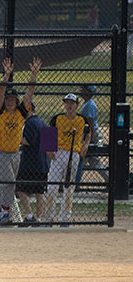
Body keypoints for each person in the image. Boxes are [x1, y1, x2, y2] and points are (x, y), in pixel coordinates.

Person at [0, 57, 38, 225]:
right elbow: (0, 94)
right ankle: (4, 214)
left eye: (13, 100)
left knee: (7, 185)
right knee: (9, 183)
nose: (10, 102)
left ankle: (0, 214)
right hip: (0, 152)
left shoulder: (20, 113)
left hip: (15, 153)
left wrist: (34, 75)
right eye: (8, 100)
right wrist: (6, 75)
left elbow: (29, 94)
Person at [46, 93, 88, 223]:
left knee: (69, 187)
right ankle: (49, 218)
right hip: (58, 153)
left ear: (77, 105)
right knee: (52, 186)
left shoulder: (82, 119)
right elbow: (48, 133)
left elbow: (88, 134)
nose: (69, 106)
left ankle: (65, 218)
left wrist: (85, 145)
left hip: (73, 154)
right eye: (67, 103)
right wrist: (49, 149)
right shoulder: (57, 118)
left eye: (72, 103)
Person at [16, 100, 48, 226]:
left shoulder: (29, 123)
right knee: (39, 192)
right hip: (43, 164)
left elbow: (28, 141)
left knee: (20, 189)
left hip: (29, 164)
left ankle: (29, 215)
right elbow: (49, 145)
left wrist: (17, 138)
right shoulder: (43, 122)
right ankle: (39, 218)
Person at [76, 84, 100, 183]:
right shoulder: (87, 103)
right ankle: (76, 183)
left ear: (88, 92)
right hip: (89, 133)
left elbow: (90, 122)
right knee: (86, 159)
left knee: (90, 159)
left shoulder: (89, 105)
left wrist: (90, 137)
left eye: (83, 89)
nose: (81, 90)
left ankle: (76, 183)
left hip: (90, 133)